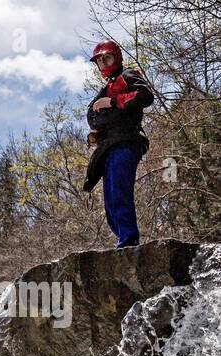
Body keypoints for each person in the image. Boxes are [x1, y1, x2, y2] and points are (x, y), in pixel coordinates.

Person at [83, 40, 154, 248]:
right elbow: (95, 116)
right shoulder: (105, 88)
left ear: (117, 57)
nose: (104, 63)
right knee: (110, 201)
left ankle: (129, 240)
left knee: (120, 192)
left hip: (126, 142)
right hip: (107, 148)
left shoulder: (128, 76)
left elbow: (145, 96)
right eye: (99, 61)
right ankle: (122, 239)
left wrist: (113, 103)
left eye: (107, 58)